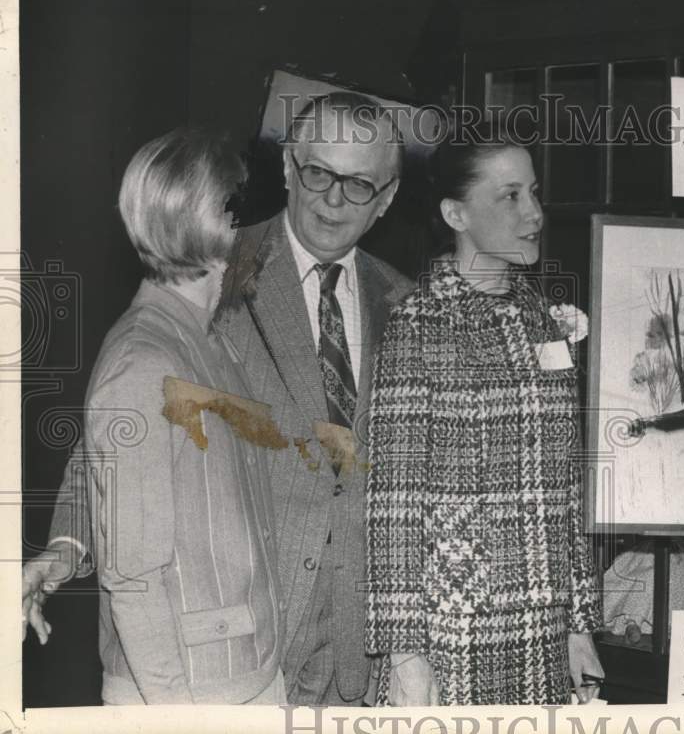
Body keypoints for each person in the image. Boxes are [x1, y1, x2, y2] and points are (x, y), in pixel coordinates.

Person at [25, 92, 414, 706]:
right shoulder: (211, 265)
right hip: (235, 657)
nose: (333, 199)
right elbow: (111, 441)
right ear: (287, 169)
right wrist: (65, 548)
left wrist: (407, 646)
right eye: (318, 173)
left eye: (359, 184)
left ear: (389, 196)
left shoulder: (407, 305)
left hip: (359, 658)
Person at [365, 135, 604, 706]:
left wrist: (580, 622)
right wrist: (404, 654)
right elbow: (393, 503)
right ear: (456, 214)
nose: (535, 214)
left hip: (544, 633)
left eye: (535, 193)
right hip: (453, 634)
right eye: (511, 197)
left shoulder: (542, 320)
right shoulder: (418, 325)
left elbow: (565, 485)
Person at [67, 128, 284, 703]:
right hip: (190, 691)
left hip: (244, 671)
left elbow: (93, 464)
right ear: (218, 229)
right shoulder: (145, 361)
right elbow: (132, 578)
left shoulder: (210, 341)